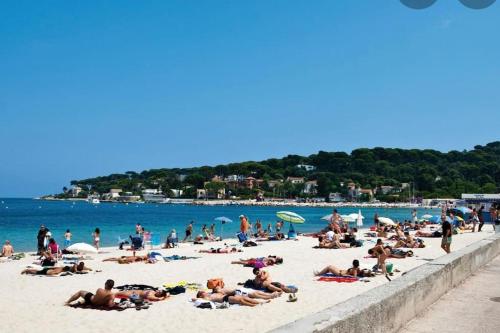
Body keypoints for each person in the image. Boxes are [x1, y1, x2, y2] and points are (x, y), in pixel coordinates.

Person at [194, 290, 269, 307]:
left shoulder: (210, 294)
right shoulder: (206, 298)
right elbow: (195, 299)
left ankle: (259, 302)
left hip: (226, 295)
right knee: (240, 301)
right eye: (202, 292)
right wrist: (197, 298)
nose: (204, 292)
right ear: (201, 295)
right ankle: (253, 305)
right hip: (224, 299)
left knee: (244, 297)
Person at [22, 262, 92, 276]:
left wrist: (88, 269)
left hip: (59, 269)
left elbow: (89, 268)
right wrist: (82, 271)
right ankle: (28, 270)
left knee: (39, 271)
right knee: (38, 272)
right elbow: (76, 270)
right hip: (62, 268)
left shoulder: (82, 267)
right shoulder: (76, 265)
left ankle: (28, 270)